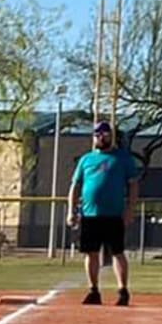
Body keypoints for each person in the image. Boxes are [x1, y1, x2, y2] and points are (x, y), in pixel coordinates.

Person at [67, 121, 138, 306]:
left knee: (117, 252)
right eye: (97, 134)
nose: (100, 137)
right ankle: (93, 290)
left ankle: (123, 291)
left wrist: (130, 209)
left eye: (104, 134)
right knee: (91, 253)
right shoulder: (86, 159)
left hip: (114, 214)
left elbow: (133, 185)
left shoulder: (122, 158)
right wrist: (72, 210)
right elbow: (75, 186)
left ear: (111, 136)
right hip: (90, 214)